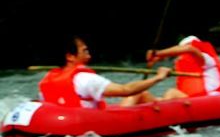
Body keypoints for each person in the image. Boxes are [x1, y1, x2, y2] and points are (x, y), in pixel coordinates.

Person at [38, 37, 171, 109]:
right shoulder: (85, 78)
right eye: (85, 51)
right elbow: (126, 90)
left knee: (144, 94)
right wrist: (158, 77)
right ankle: (169, 110)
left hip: (63, 127)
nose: (89, 56)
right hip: (91, 127)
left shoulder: (48, 78)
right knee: (140, 93)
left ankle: (163, 102)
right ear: (70, 56)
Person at [146, 35, 220, 99]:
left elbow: (189, 48)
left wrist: (157, 53)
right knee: (157, 98)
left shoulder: (206, 58)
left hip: (211, 96)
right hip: (196, 99)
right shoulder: (187, 65)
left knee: (171, 93)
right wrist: (156, 60)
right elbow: (166, 72)